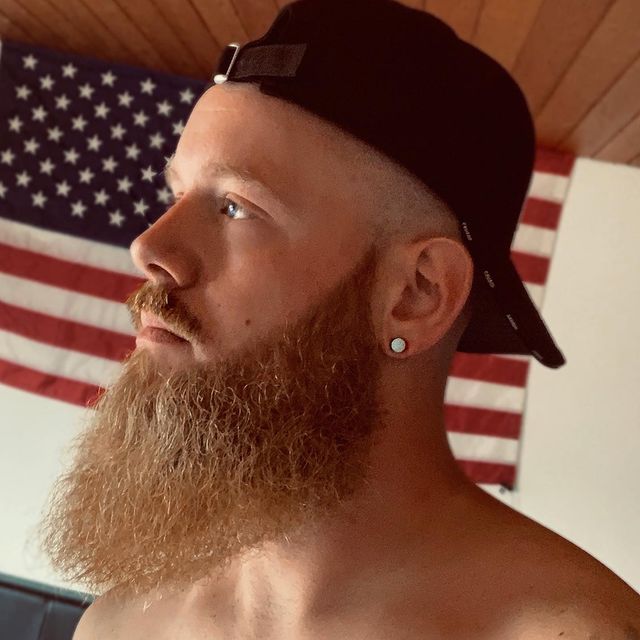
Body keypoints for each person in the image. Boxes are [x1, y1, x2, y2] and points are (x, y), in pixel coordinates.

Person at [39, 0, 639, 638]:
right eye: (177, 194)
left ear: (416, 294)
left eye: (236, 206)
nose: (149, 247)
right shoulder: (117, 624)